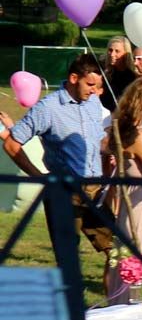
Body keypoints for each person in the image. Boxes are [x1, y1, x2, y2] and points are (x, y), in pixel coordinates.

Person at [4, 54, 115, 257]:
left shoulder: (91, 103)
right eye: (90, 84)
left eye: (96, 85)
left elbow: (99, 142)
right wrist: (39, 176)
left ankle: (120, 289)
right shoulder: (47, 108)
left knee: (117, 249)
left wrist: (118, 145)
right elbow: (12, 144)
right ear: (74, 78)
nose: (93, 90)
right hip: (64, 191)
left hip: (95, 190)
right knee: (67, 258)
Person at [103, 78, 142, 305]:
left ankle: (124, 303)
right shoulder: (138, 136)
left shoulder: (118, 129)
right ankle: (137, 305)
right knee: (141, 256)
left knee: (128, 258)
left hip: (130, 200)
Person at [102, 36, 135, 110]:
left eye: (117, 51)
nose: (112, 54)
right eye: (110, 50)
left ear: (126, 54)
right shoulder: (105, 72)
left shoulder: (132, 77)